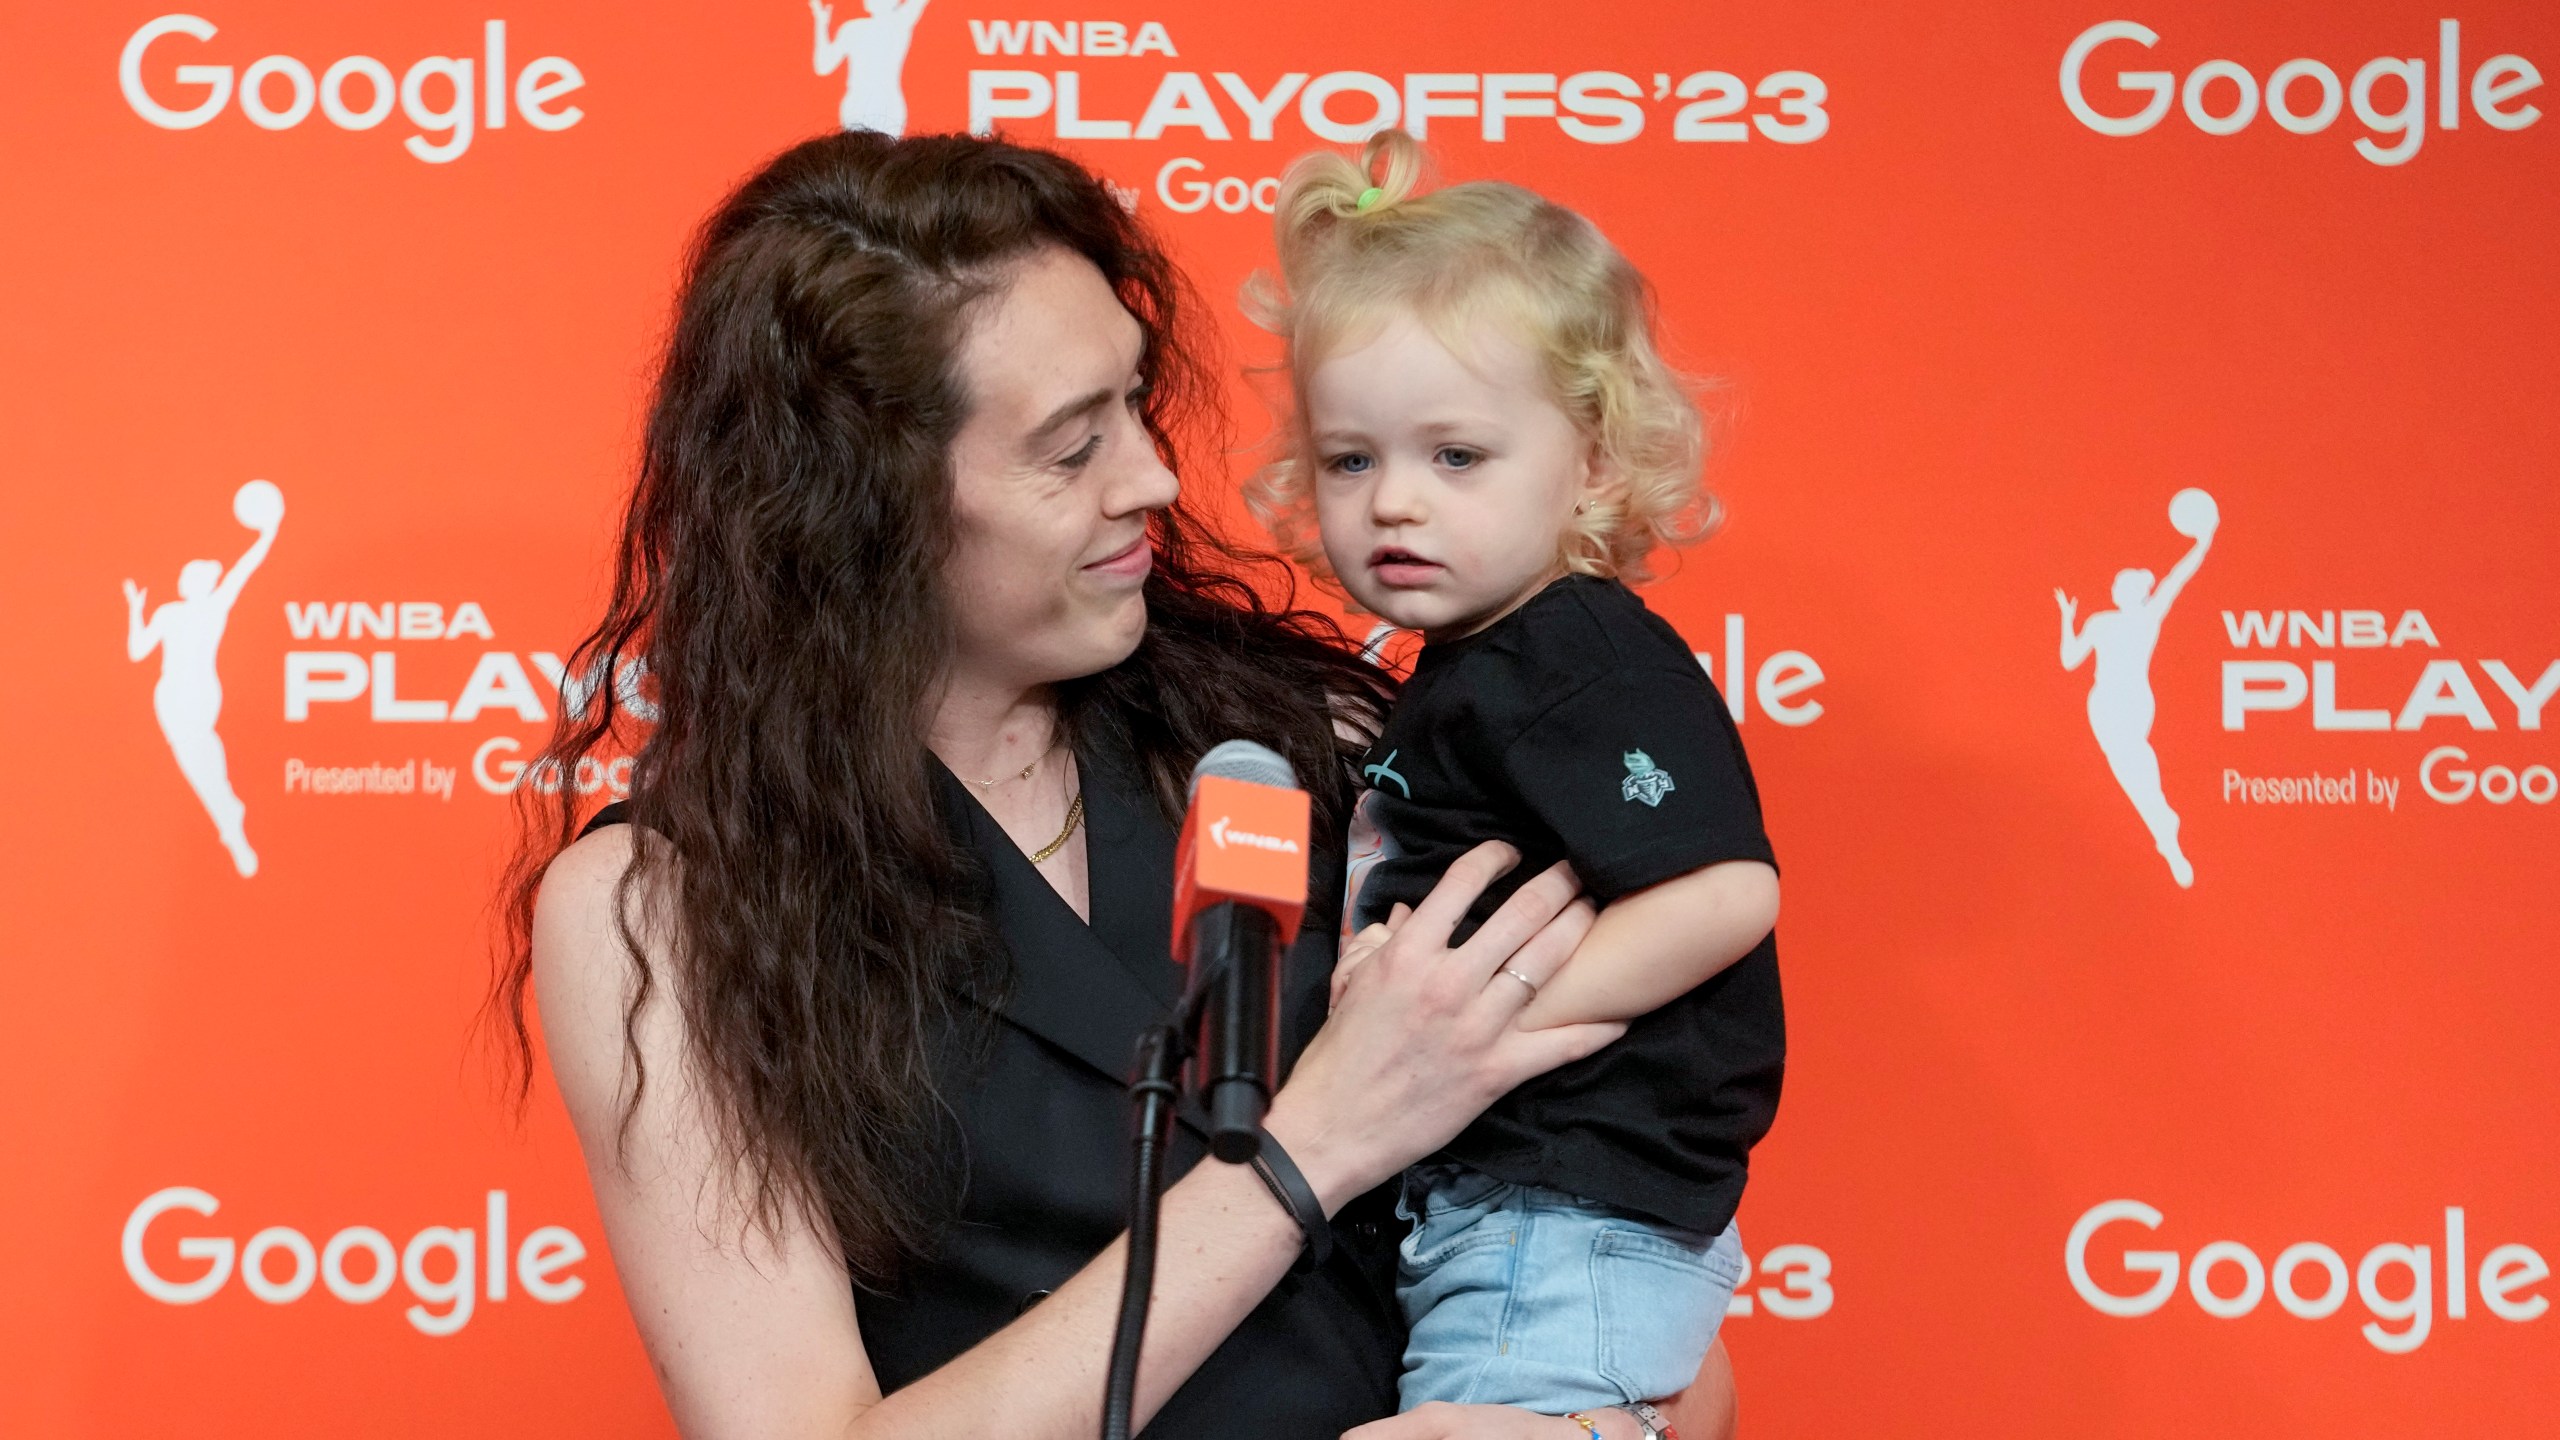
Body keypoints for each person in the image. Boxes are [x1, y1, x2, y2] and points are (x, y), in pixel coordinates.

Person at [494, 130, 1733, 1440]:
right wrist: (1315, 1144)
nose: (1154, 476)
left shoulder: (1319, 737)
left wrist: (1596, 1432)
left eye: (1137, 406)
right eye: (1073, 447)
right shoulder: (661, 909)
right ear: (863, 505)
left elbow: (1648, 1314)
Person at [1244, 130, 1785, 1428]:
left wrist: (1484, 1025)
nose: (1395, 507)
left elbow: (1723, 895)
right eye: (1352, 460)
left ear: (1592, 459)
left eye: (1458, 457)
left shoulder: (1570, 651)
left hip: (1566, 1219)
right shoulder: (1475, 666)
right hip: (1501, 1216)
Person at [2055, 492, 2213, 887]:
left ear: (2138, 593)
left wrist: (2203, 542)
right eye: (2117, 585)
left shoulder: (2147, 616)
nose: (2119, 589)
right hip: (2105, 704)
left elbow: (2178, 576)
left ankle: (2164, 828)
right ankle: (2163, 827)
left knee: (2133, 763)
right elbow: (2070, 660)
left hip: (2130, 702)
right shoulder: (2103, 621)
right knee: (2128, 768)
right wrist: (2066, 619)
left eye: (2127, 585)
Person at [125, 480, 280, 878]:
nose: (185, 579)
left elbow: (244, 569)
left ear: (201, 583)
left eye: (191, 575)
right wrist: (134, 609)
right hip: (175, 696)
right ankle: (229, 814)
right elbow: (137, 652)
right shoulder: (173, 612)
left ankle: (230, 821)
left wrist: (269, 534)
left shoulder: (211, 607)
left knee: (199, 756)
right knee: (197, 758)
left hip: (193, 693)